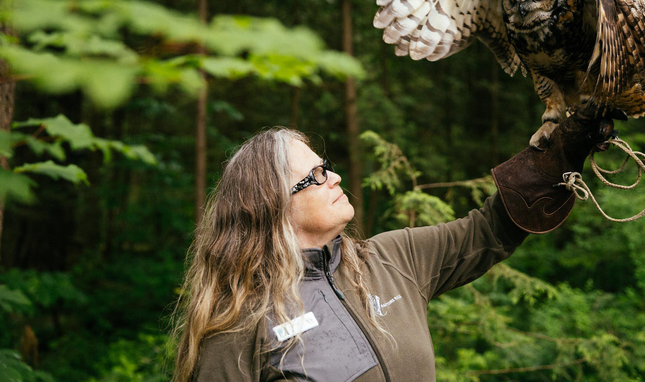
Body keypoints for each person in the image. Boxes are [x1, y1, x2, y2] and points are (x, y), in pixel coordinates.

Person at [172, 107, 621, 382]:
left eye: (327, 166)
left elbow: (491, 229)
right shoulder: (238, 326)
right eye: (315, 176)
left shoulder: (391, 259)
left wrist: (563, 150)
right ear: (270, 205)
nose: (335, 177)